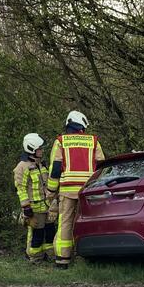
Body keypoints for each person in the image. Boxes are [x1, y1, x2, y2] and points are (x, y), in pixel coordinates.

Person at [47, 110, 104, 268]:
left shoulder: (61, 141)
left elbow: (56, 168)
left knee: (65, 223)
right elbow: (101, 166)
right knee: (85, 222)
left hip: (67, 190)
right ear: (83, 126)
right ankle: (85, 256)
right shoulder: (93, 142)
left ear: (68, 125)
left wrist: (51, 191)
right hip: (88, 191)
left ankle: (62, 260)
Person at [13, 133, 55, 262]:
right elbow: (21, 189)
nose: (42, 151)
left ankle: (50, 255)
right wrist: (27, 209)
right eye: (39, 149)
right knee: (37, 234)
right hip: (34, 208)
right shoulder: (22, 167)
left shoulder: (42, 164)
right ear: (31, 149)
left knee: (50, 232)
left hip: (47, 206)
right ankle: (35, 258)